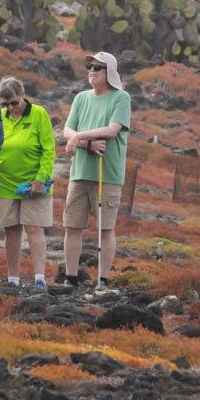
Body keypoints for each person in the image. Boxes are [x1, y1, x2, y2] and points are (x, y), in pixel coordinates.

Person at [61, 51, 132, 294]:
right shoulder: (81, 98)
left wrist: (79, 136)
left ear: (109, 72)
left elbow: (112, 131)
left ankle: (103, 279)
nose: (92, 70)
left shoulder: (121, 98)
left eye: (98, 67)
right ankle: (70, 277)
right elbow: (67, 131)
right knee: (72, 226)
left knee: (106, 228)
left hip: (107, 175)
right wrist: (86, 143)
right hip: (80, 173)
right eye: (90, 66)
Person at [0, 77, 55, 290]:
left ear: (22, 96)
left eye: (14, 103)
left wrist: (41, 179)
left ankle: (39, 278)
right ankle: (13, 279)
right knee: (11, 230)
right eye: (6, 104)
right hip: (4, 182)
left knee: (34, 228)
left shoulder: (39, 114)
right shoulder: (0, 118)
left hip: (33, 182)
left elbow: (49, 150)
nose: (11, 108)